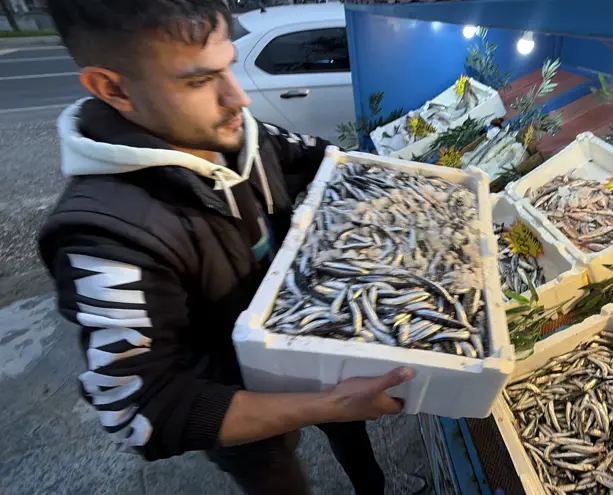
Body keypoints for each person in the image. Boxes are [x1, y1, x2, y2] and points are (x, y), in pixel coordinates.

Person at [38, 1, 415, 493]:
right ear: (112, 88)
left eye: (229, 65)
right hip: (236, 405)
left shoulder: (244, 137)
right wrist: (329, 403)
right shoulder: (106, 237)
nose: (238, 98)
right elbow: (142, 410)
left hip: (313, 340)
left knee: (352, 434)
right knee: (277, 472)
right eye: (198, 81)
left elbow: (325, 162)